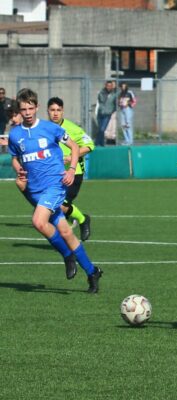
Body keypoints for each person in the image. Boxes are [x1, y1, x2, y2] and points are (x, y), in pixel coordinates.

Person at [7, 88, 103, 293]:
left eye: (31, 108)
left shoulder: (50, 128)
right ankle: (92, 271)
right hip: (34, 189)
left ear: (37, 107)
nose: (27, 112)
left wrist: (70, 170)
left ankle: (67, 255)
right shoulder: (15, 135)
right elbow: (15, 159)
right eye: (23, 109)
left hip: (55, 185)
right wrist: (19, 170)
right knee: (66, 231)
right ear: (20, 110)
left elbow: (75, 148)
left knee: (38, 222)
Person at [47, 97, 94, 241]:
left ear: (63, 111)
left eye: (58, 110)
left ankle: (82, 220)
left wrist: (71, 157)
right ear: (47, 111)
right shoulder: (44, 129)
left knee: (60, 205)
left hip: (74, 172)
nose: (55, 113)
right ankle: (78, 221)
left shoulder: (73, 129)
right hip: (54, 174)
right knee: (52, 206)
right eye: (52, 110)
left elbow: (90, 145)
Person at [95, 80, 117, 146]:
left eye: (110, 86)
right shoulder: (101, 92)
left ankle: (97, 142)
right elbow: (100, 100)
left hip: (107, 114)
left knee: (102, 129)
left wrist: (111, 110)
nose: (109, 87)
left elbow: (115, 104)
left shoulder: (114, 94)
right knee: (100, 129)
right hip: (100, 113)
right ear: (105, 86)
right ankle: (101, 143)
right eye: (108, 86)